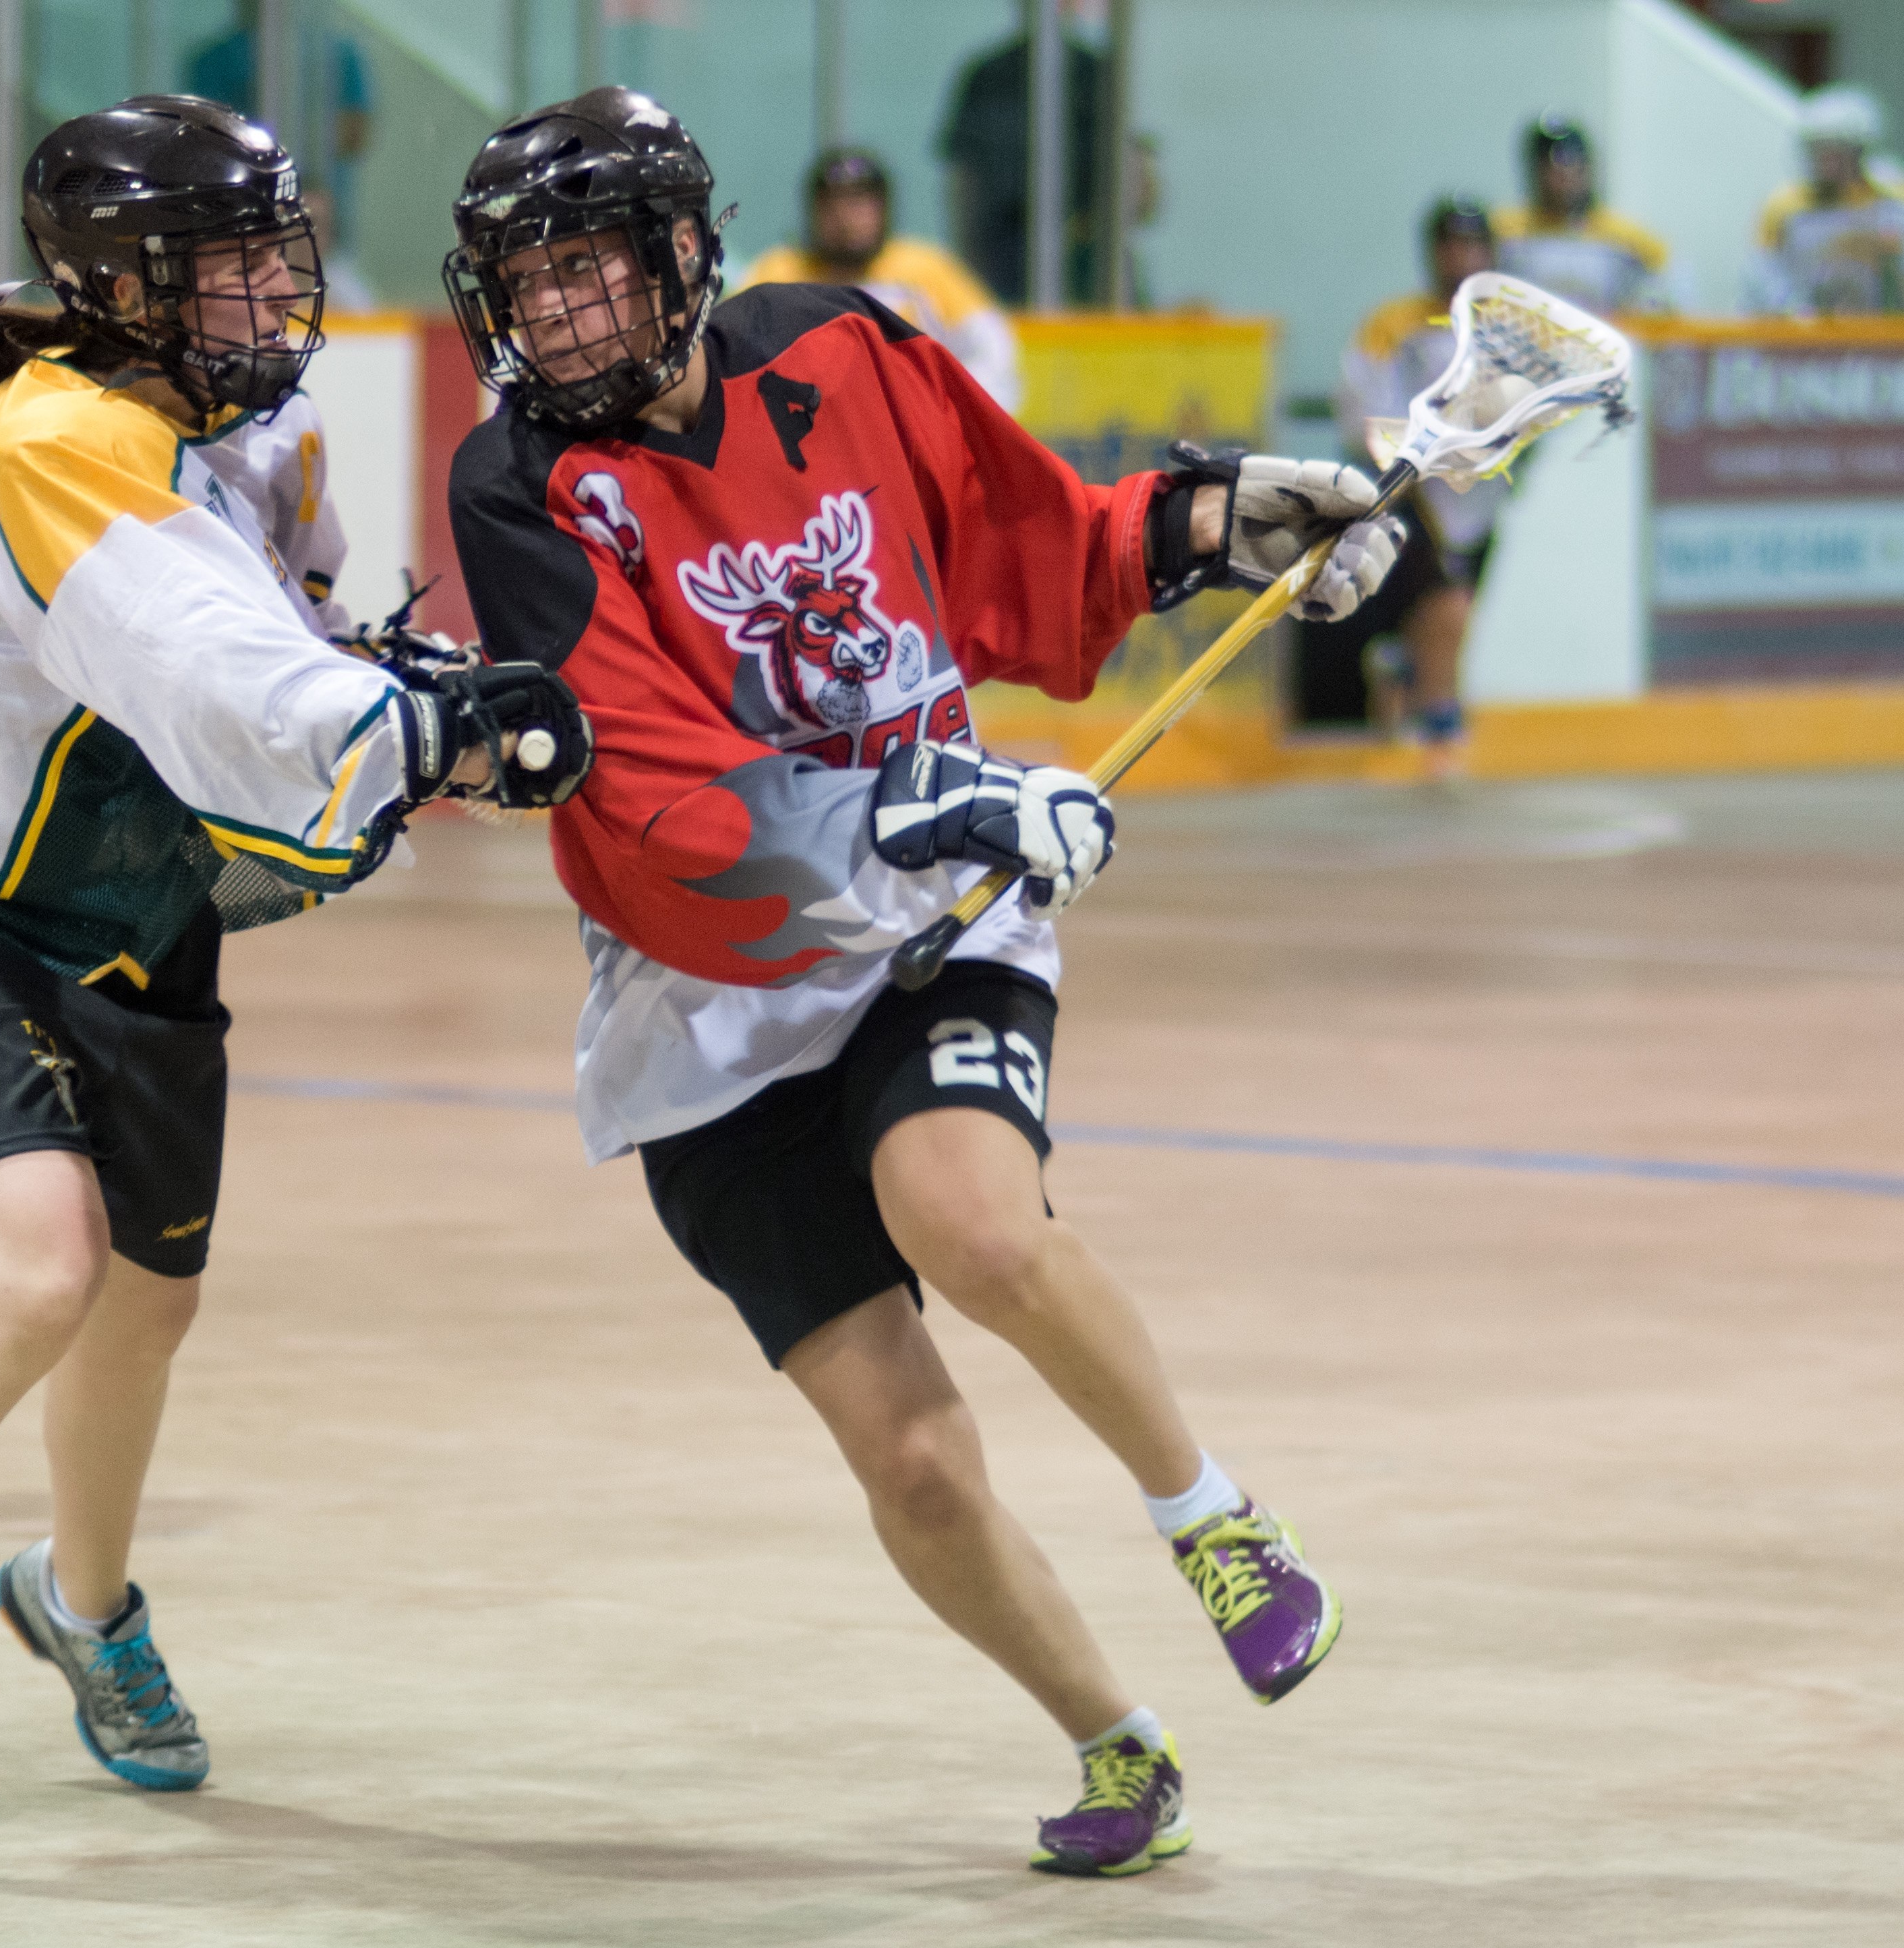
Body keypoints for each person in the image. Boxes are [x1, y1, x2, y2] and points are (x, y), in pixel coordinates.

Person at [443, 88, 1392, 1879]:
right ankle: (1116, 1745)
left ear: (677, 257)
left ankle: (1213, 1523)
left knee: (972, 1223)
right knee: (917, 1466)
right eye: (524, 278)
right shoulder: (516, 485)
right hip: (706, 1006)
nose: (554, 310)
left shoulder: (843, 353)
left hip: (938, 927)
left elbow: (1036, 543)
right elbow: (657, 790)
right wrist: (930, 791)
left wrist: (1218, 519)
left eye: (586, 266)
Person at [0, 96, 583, 1800]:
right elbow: (207, 674)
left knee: (143, 1312)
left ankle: (83, 1601)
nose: (273, 294)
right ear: (113, 284)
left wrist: (392, 679)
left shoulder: (257, 422)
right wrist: (411, 732)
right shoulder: (50, 436)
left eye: (275, 253)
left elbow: (287, 626)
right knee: (42, 1264)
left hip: (138, 930)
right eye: (226, 265)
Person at [1309, 198, 1498, 771]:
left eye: (1472, 245)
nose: (1460, 257)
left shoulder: (1503, 334)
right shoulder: (1396, 325)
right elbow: (1364, 409)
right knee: (1448, 603)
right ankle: (1443, 726)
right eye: (1450, 245)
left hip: (1477, 502)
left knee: (1444, 614)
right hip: (1408, 493)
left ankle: (1405, 680)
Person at [738, 148, 1020, 410]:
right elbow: (729, 359)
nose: (847, 219)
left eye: (860, 204)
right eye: (834, 204)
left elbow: (994, 358)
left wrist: (937, 411)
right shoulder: (779, 275)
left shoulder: (927, 272)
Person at [936, 1, 1104, 306]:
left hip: (1084, 248)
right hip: (1005, 248)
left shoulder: (1095, 73)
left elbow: (1131, 179)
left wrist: (1098, 227)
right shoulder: (990, 75)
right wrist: (969, 264)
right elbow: (966, 181)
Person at [186, 3, 374, 222]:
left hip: (321, 218)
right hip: (241, 220)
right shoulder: (216, 59)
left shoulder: (338, 54)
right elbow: (205, 146)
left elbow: (354, 135)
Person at [1749, 84, 1904, 317]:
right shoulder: (1784, 206)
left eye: (1833, 151)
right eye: (1816, 149)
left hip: (1880, 339)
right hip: (1808, 340)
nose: (1824, 161)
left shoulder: (1893, 204)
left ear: (1859, 151)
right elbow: (1762, 276)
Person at [1493, 114, 1670, 318]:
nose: (1566, 175)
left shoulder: (1629, 238)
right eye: (1553, 167)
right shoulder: (1504, 230)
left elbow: (1669, 291)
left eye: (1574, 164)